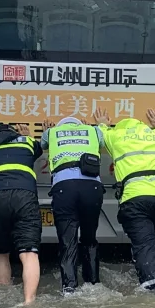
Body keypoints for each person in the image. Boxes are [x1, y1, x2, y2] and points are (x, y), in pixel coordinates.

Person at [95, 107, 155, 293]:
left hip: (135, 197)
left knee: (144, 245)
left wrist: (102, 123)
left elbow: (103, 134)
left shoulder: (116, 137)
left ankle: (154, 286)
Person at [41, 116, 106, 294]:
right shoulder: (93, 131)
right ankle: (93, 284)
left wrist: (48, 130)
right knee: (89, 238)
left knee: (67, 240)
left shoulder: (52, 133)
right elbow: (102, 140)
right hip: (91, 187)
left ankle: (69, 287)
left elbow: (42, 145)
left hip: (64, 187)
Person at [0, 122, 43, 305]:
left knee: (0, 252)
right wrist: (28, 135)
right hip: (25, 196)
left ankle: (3, 295)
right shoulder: (27, 142)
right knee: (29, 253)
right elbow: (38, 151)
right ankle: (29, 301)